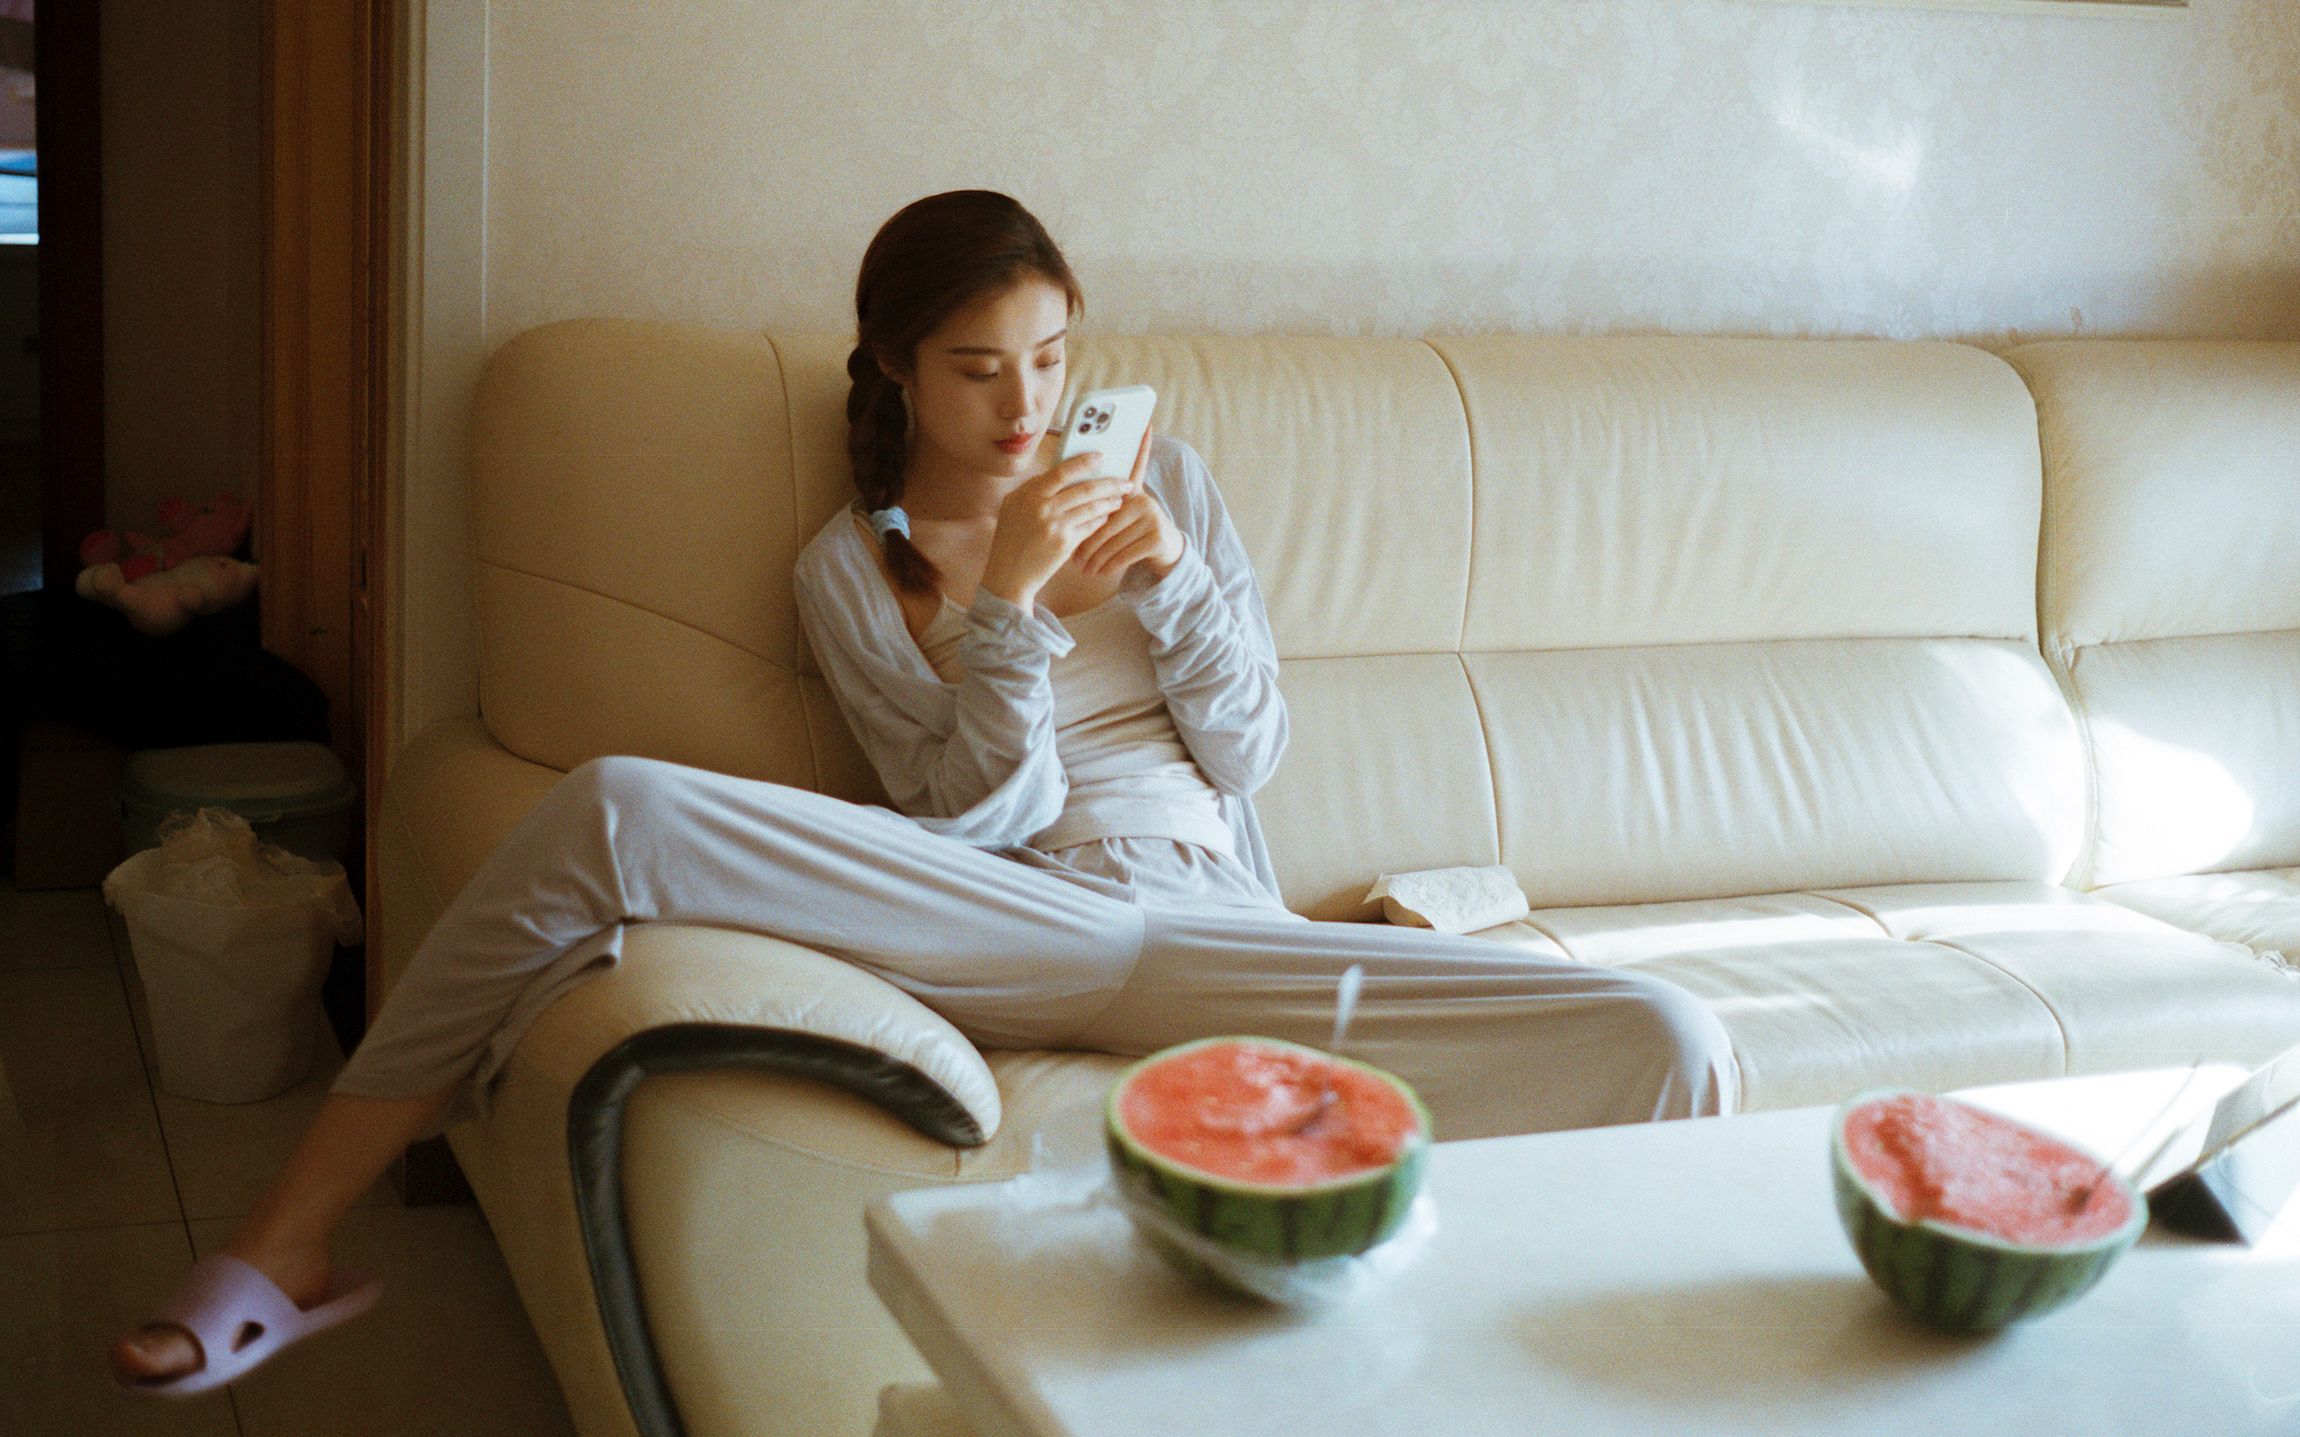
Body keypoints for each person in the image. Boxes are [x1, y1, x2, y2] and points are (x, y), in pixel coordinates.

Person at [112, 189, 1738, 1396]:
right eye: (978, 371)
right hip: (1010, 910)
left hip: (1211, 918)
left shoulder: (1164, 483)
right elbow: (970, 819)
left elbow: (1250, 759)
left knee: (1668, 1037)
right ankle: (288, 1236)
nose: (1027, 410)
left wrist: (1170, 585)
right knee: (610, 804)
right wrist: (1010, 615)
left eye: (1050, 361)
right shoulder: (852, 565)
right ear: (898, 366)